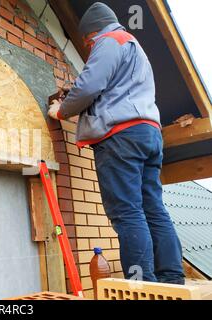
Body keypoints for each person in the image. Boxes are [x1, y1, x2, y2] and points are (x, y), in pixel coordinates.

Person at [48, 2, 185, 284]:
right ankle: (171, 279)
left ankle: (142, 284)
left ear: (92, 33)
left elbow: (89, 86)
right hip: (148, 133)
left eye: (88, 41)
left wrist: (60, 111)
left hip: (121, 137)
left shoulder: (109, 40)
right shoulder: (135, 48)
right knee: (153, 207)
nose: (89, 46)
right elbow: (108, 88)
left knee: (126, 211)